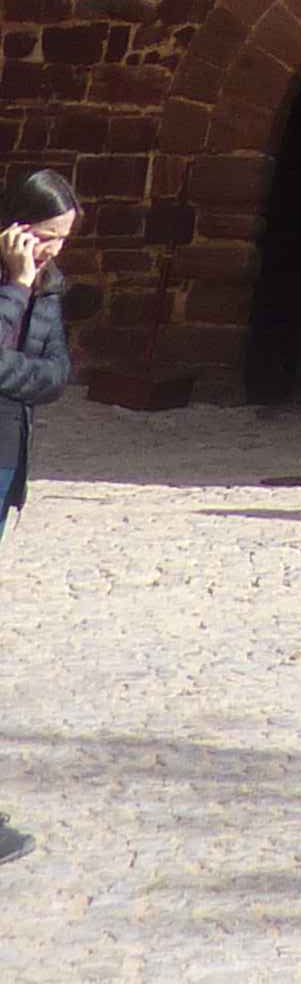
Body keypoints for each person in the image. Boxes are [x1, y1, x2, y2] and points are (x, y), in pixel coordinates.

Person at [0, 170, 79, 867]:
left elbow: (53, 375)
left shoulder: (50, 288)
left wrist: (13, 368)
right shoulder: (22, 284)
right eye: (45, 240)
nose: (52, 254)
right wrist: (14, 288)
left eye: (61, 244)